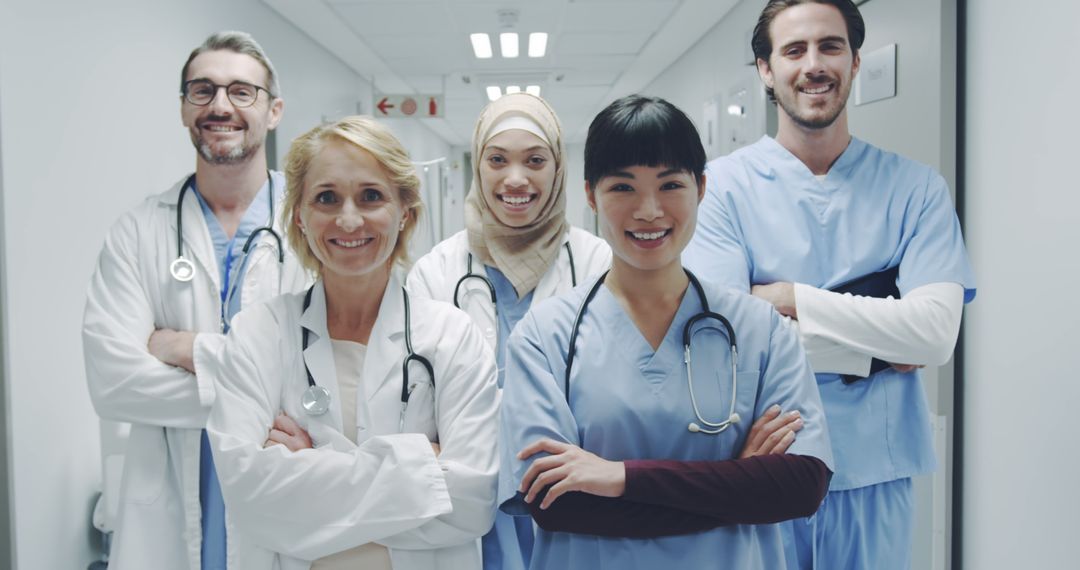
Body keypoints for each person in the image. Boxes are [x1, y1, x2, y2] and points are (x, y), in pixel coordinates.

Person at [682, 1, 977, 568]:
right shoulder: (719, 189)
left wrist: (788, 299)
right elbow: (724, 346)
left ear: (856, 60)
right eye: (794, 50)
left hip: (876, 472)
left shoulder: (917, 190)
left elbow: (934, 337)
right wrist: (879, 337)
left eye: (830, 46)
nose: (813, 64)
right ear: (766, 70)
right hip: (763, 459)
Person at [498, 95, 834, 570]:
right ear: (591, 195)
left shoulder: (760, 329)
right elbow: (556, 503)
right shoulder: (546, 336)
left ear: (700, 187)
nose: (649, 210)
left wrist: (617, 477)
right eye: (623, 188)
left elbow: (798, 487)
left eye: (670, 184)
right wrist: (735, 481)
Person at [205, 115, 499, 570]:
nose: (348, 218)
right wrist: (423, 467)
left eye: (371, 196)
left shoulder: (452, 337)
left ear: (405, 211)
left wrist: (306, 469)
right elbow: (249, 499)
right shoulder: (257, 333)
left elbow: (472, 501)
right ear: (299, 216)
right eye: (326, 198)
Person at [82, 31, 307, 570]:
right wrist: (261, 393)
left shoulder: (311, 226)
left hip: (285, 494)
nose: (220, 106)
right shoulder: (138, 232)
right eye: (202, 91)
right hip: (172, 508)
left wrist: (188, 349)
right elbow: (114, 385)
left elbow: (325, 373)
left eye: (241, 92)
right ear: (184, 108)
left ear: (273, 111)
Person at [407, 92, 610, 570]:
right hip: (467, 493)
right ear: (478, 167)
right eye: (497, 159)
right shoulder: (436, 270)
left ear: (558, 169)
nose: (515, 178)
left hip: (572, 490)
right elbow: (412, 401)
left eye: (535, 160)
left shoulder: (598, 262)